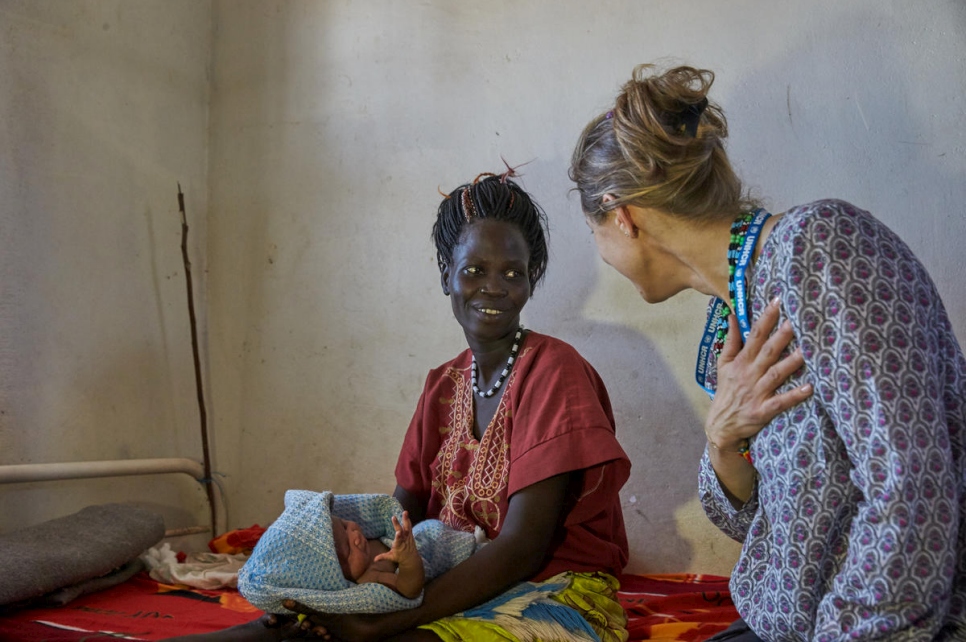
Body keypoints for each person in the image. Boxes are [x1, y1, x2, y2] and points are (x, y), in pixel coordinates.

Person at [569, 62, 966, 640]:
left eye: (594, 231)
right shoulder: (732, 316)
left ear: (622, 218)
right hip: (782, 626)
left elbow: (914, 491)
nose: (601, 253)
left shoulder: (822, 245)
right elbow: (756, 524)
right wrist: (722, 439)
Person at [165, 170, 632, 642]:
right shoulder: (442, 386)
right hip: (443, 585)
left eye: (513, 273)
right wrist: (325, 596)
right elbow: (397, 520)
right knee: (293, 632)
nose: (494, 287)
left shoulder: (555, 372)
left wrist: (384, 623)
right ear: (446, 273)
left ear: (530, 280)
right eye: (474, 270)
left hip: (552, 594)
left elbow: (524, 549)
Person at [237, 490, 484, 614]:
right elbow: (410, 589)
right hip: (452, 561)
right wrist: (408, 560)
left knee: (430, 531)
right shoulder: (369, 577)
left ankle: (476, 543)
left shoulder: (366, 540)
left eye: (345, 526)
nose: (355, 536)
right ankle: (476, 548)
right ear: (332, 578)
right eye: (346, 550)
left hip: (440, 539)